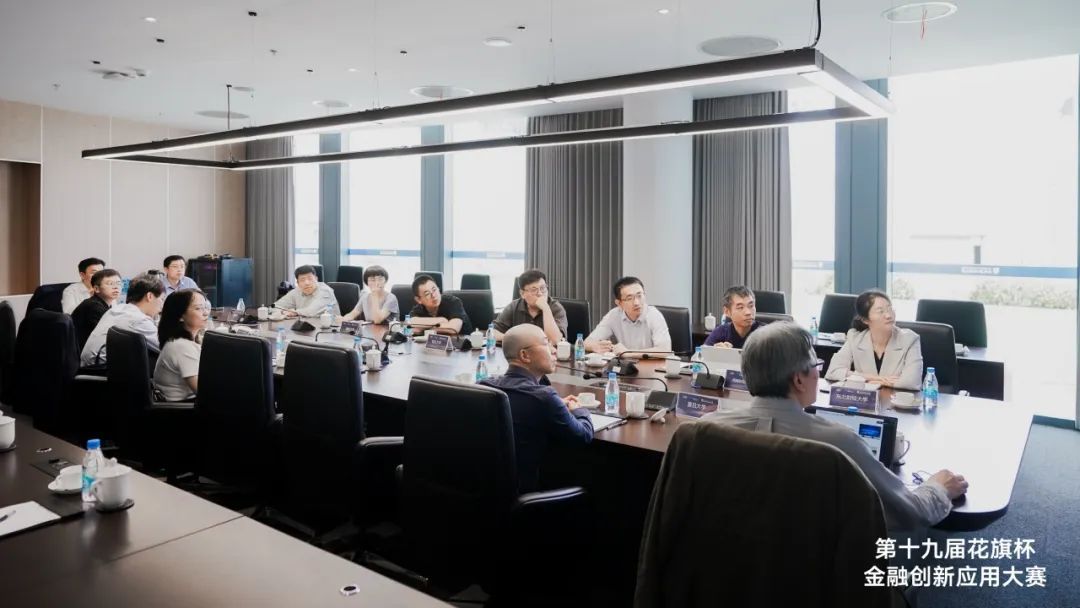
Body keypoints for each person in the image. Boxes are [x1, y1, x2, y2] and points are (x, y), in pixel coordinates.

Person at [703, 322, 967, 532]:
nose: (819, 372)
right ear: (798, 380)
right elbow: (909, 513)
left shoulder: (707, 429)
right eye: (815, 365)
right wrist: (938, 488)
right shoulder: (837, 443)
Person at [480, 324, 594, 492]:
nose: (554, 350)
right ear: (524, 355)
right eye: (546, 343)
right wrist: (579, 410)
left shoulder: (484, 387)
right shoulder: (543, 397)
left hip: (484, 485)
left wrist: (557, 405)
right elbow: (583, 436)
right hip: (524, 487)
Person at [825, 290, 924, 391]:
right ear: (865, 320)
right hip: (865, 399)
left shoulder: (910, 339)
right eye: (880, 311)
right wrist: (870, 377)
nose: (888, 315)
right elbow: (833, 371)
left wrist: (877, 382)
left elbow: (912, 382)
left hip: (897, 399)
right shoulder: (855, 338)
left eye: (890, 309)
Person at [80, 273, 164, 366]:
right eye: (161, 299)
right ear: (150, 296)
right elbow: (165, 348)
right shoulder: (138, 319)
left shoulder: (118, 309)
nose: (162, 304)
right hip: (101, 369)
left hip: (90, 365)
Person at [584, 276, 671, 355]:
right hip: (627, 365)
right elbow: (585, 343)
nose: (636, 303)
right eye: (629, 298)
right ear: (619, 303)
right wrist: (594, 346)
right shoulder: (613, 315)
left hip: (654, 365)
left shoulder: (654, 315)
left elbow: (665, 350)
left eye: (639, 296)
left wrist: (628, 353)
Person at [153, 289, 208, 401]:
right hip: (183, 407)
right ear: (181, 316)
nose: (206, 313)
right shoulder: (182, 346)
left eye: (205, 307)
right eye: (198, 308)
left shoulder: (179, 340)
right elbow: (206, 394)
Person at [493, 269, 567, 344]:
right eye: (534, 290)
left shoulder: (556, 308)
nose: (540, 293)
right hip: (520, 350)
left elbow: (555, 341)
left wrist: (545, 308)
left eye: (543, 288)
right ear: (522, 293)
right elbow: (492, 332)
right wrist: (515, 339)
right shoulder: (513, 307)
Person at [71, 268, 122, 351]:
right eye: (110, 284)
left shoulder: (104, 304)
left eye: (119, 283)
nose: (116, 287)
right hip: (83, 352)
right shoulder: (93, 306)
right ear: (96, 289)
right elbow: (108, 335)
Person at [407, 274, 473, 335]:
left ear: (438, 288)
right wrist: (441, 320)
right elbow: (409, 323)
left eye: (434, 290)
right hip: (433, 343)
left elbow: (453, 328)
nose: (433, 295)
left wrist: (422, 327)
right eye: (427, 294)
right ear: (418, 300)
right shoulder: (418, 309)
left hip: (462, 342)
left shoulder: (453, 302)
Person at [274, 265, 340, 318]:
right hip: (304, 327)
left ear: (316, 279)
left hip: (330, 328)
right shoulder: (296, 291)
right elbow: (275, 307)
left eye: (310, 278)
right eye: (302, 280)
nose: (307, 283)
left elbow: (312, 311)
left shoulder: (325, 291)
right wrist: (283, 312)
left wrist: (295, 312)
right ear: (298, 283)